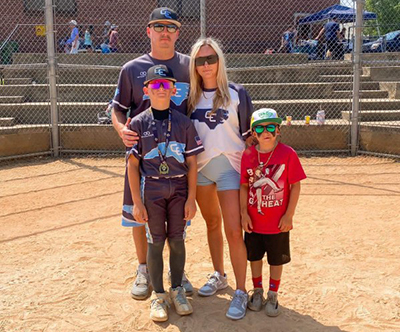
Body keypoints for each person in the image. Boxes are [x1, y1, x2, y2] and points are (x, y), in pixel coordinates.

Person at [112, 7, 192, 301]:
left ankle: (176, 271)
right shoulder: (132, 69)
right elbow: (118, 108)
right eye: (159, 27)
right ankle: (144, 269)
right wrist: (121, 129)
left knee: (175, 219)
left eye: (171, 27)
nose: (165, 32)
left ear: (177, 33)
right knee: (140, 214)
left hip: (176, 157)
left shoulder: (188, 66)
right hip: (143, 155)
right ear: (149, 31)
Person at [127, 64, 204, 322]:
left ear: (173, 89)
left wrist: (192, 197)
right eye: (156, 85)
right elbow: (133, 164)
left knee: (177, 240)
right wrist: (137, 203)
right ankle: (158, 295)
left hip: (179, 187)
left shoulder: (183, 122)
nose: (161, 90)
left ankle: (177, 291)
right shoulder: (138, 123)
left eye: (166, 85)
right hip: (153, 188)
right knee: (155, 241)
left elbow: (192, 163)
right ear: (147, 90)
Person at [188, 37, 253, 320]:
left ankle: (241, 290)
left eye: (211, 58)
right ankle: (219, 275)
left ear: (219, 61)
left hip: (230, 167)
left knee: (233, 229)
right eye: (200, 60)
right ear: (194, 65)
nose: (206, 65)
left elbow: (250, 136)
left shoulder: (237, 94)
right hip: (200, 169)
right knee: (211, 223)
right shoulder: (189, 98)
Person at [240, 108, 306, 316]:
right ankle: (257, 290)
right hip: (254, 221)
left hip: (278, 222)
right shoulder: (249, 155)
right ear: (253, 133)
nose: (266, 132)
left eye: (271, 127)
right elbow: (243, 186)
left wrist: (289, 215)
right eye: (260, 128)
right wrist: (243, 213)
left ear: (278, 130)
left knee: (276, 259)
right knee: (255, 257)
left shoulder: (288, 154)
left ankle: (273, 293)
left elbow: (295, 185)